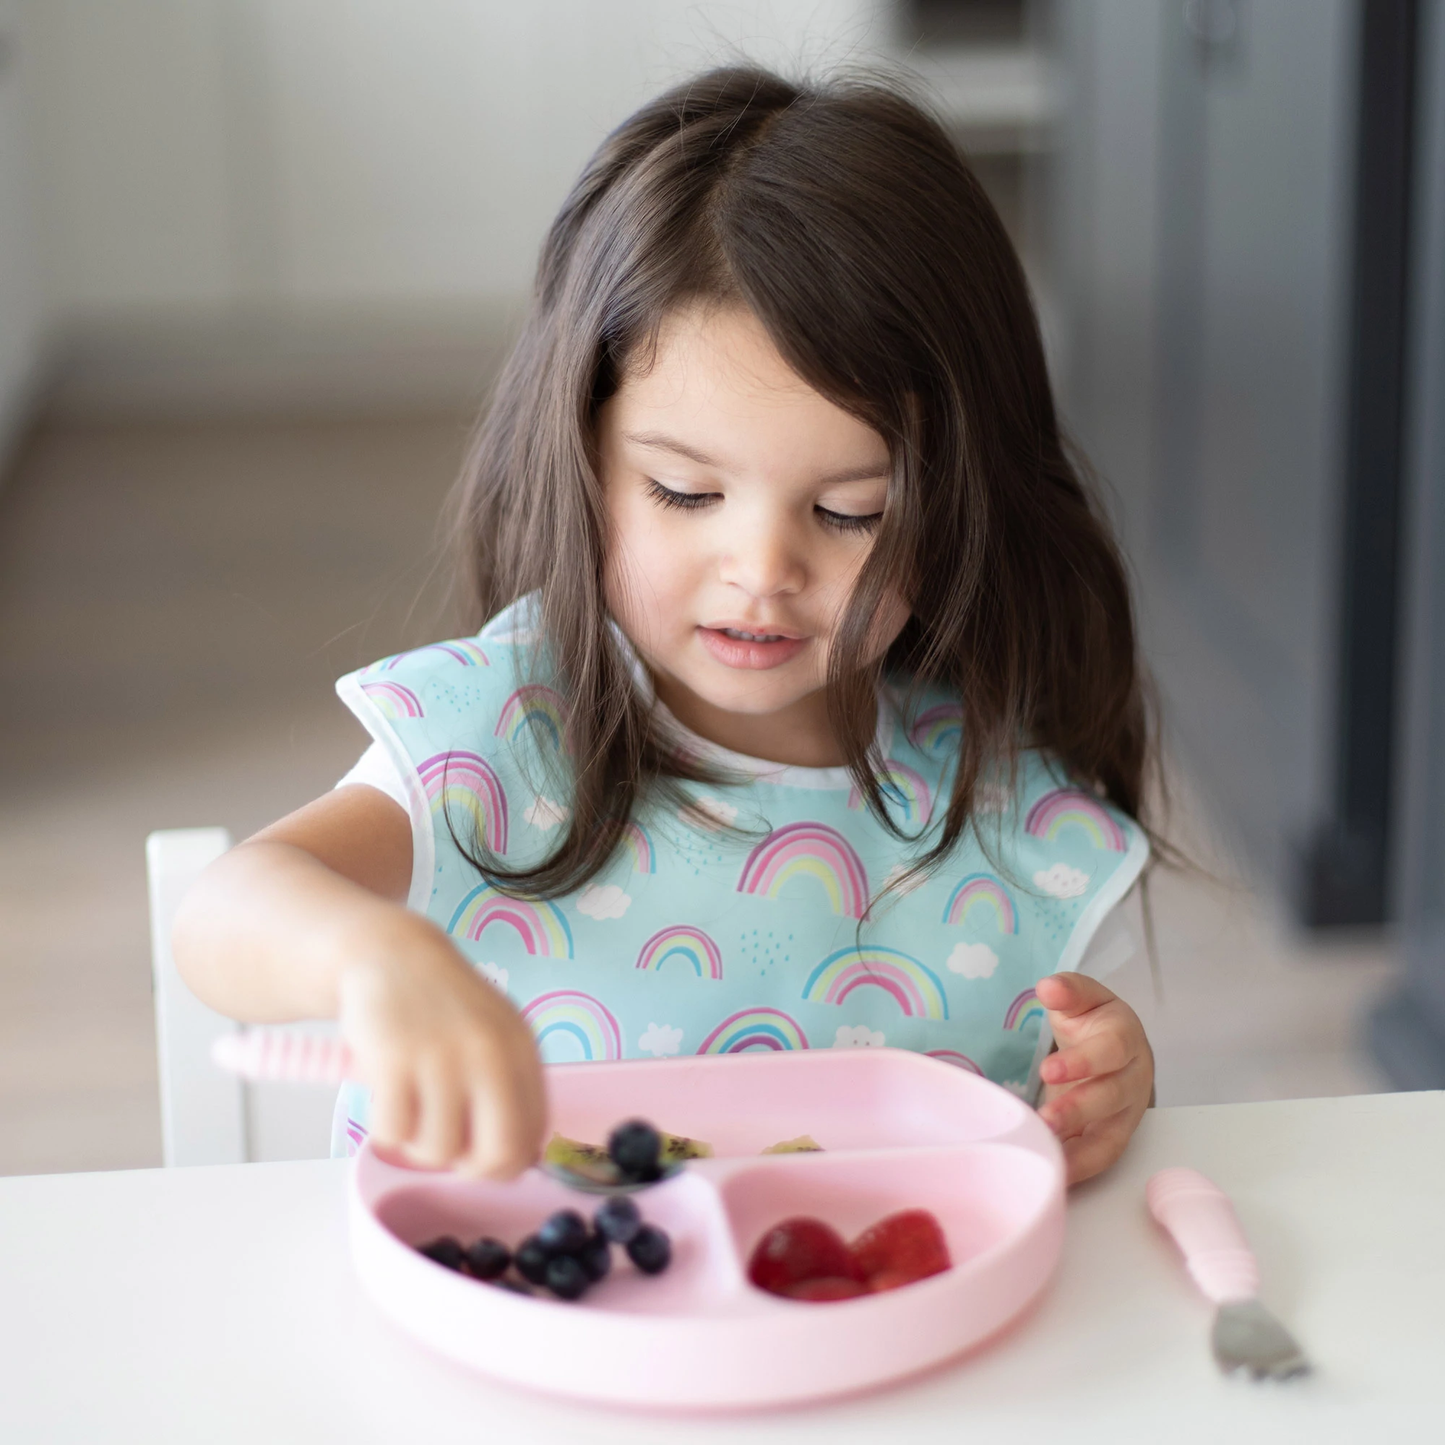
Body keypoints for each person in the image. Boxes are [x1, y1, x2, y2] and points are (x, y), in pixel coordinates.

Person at [174, 66, 1160, 1188]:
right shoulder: (500, 736)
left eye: (853, 513)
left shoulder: (1016, 824)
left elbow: (1054, 1130)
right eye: (686, 494)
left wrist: (1107, 1085)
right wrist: (368, 955)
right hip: (513, 1335)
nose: (762, 571)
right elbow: (224, 912)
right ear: (582, 457)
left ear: (963, 506)